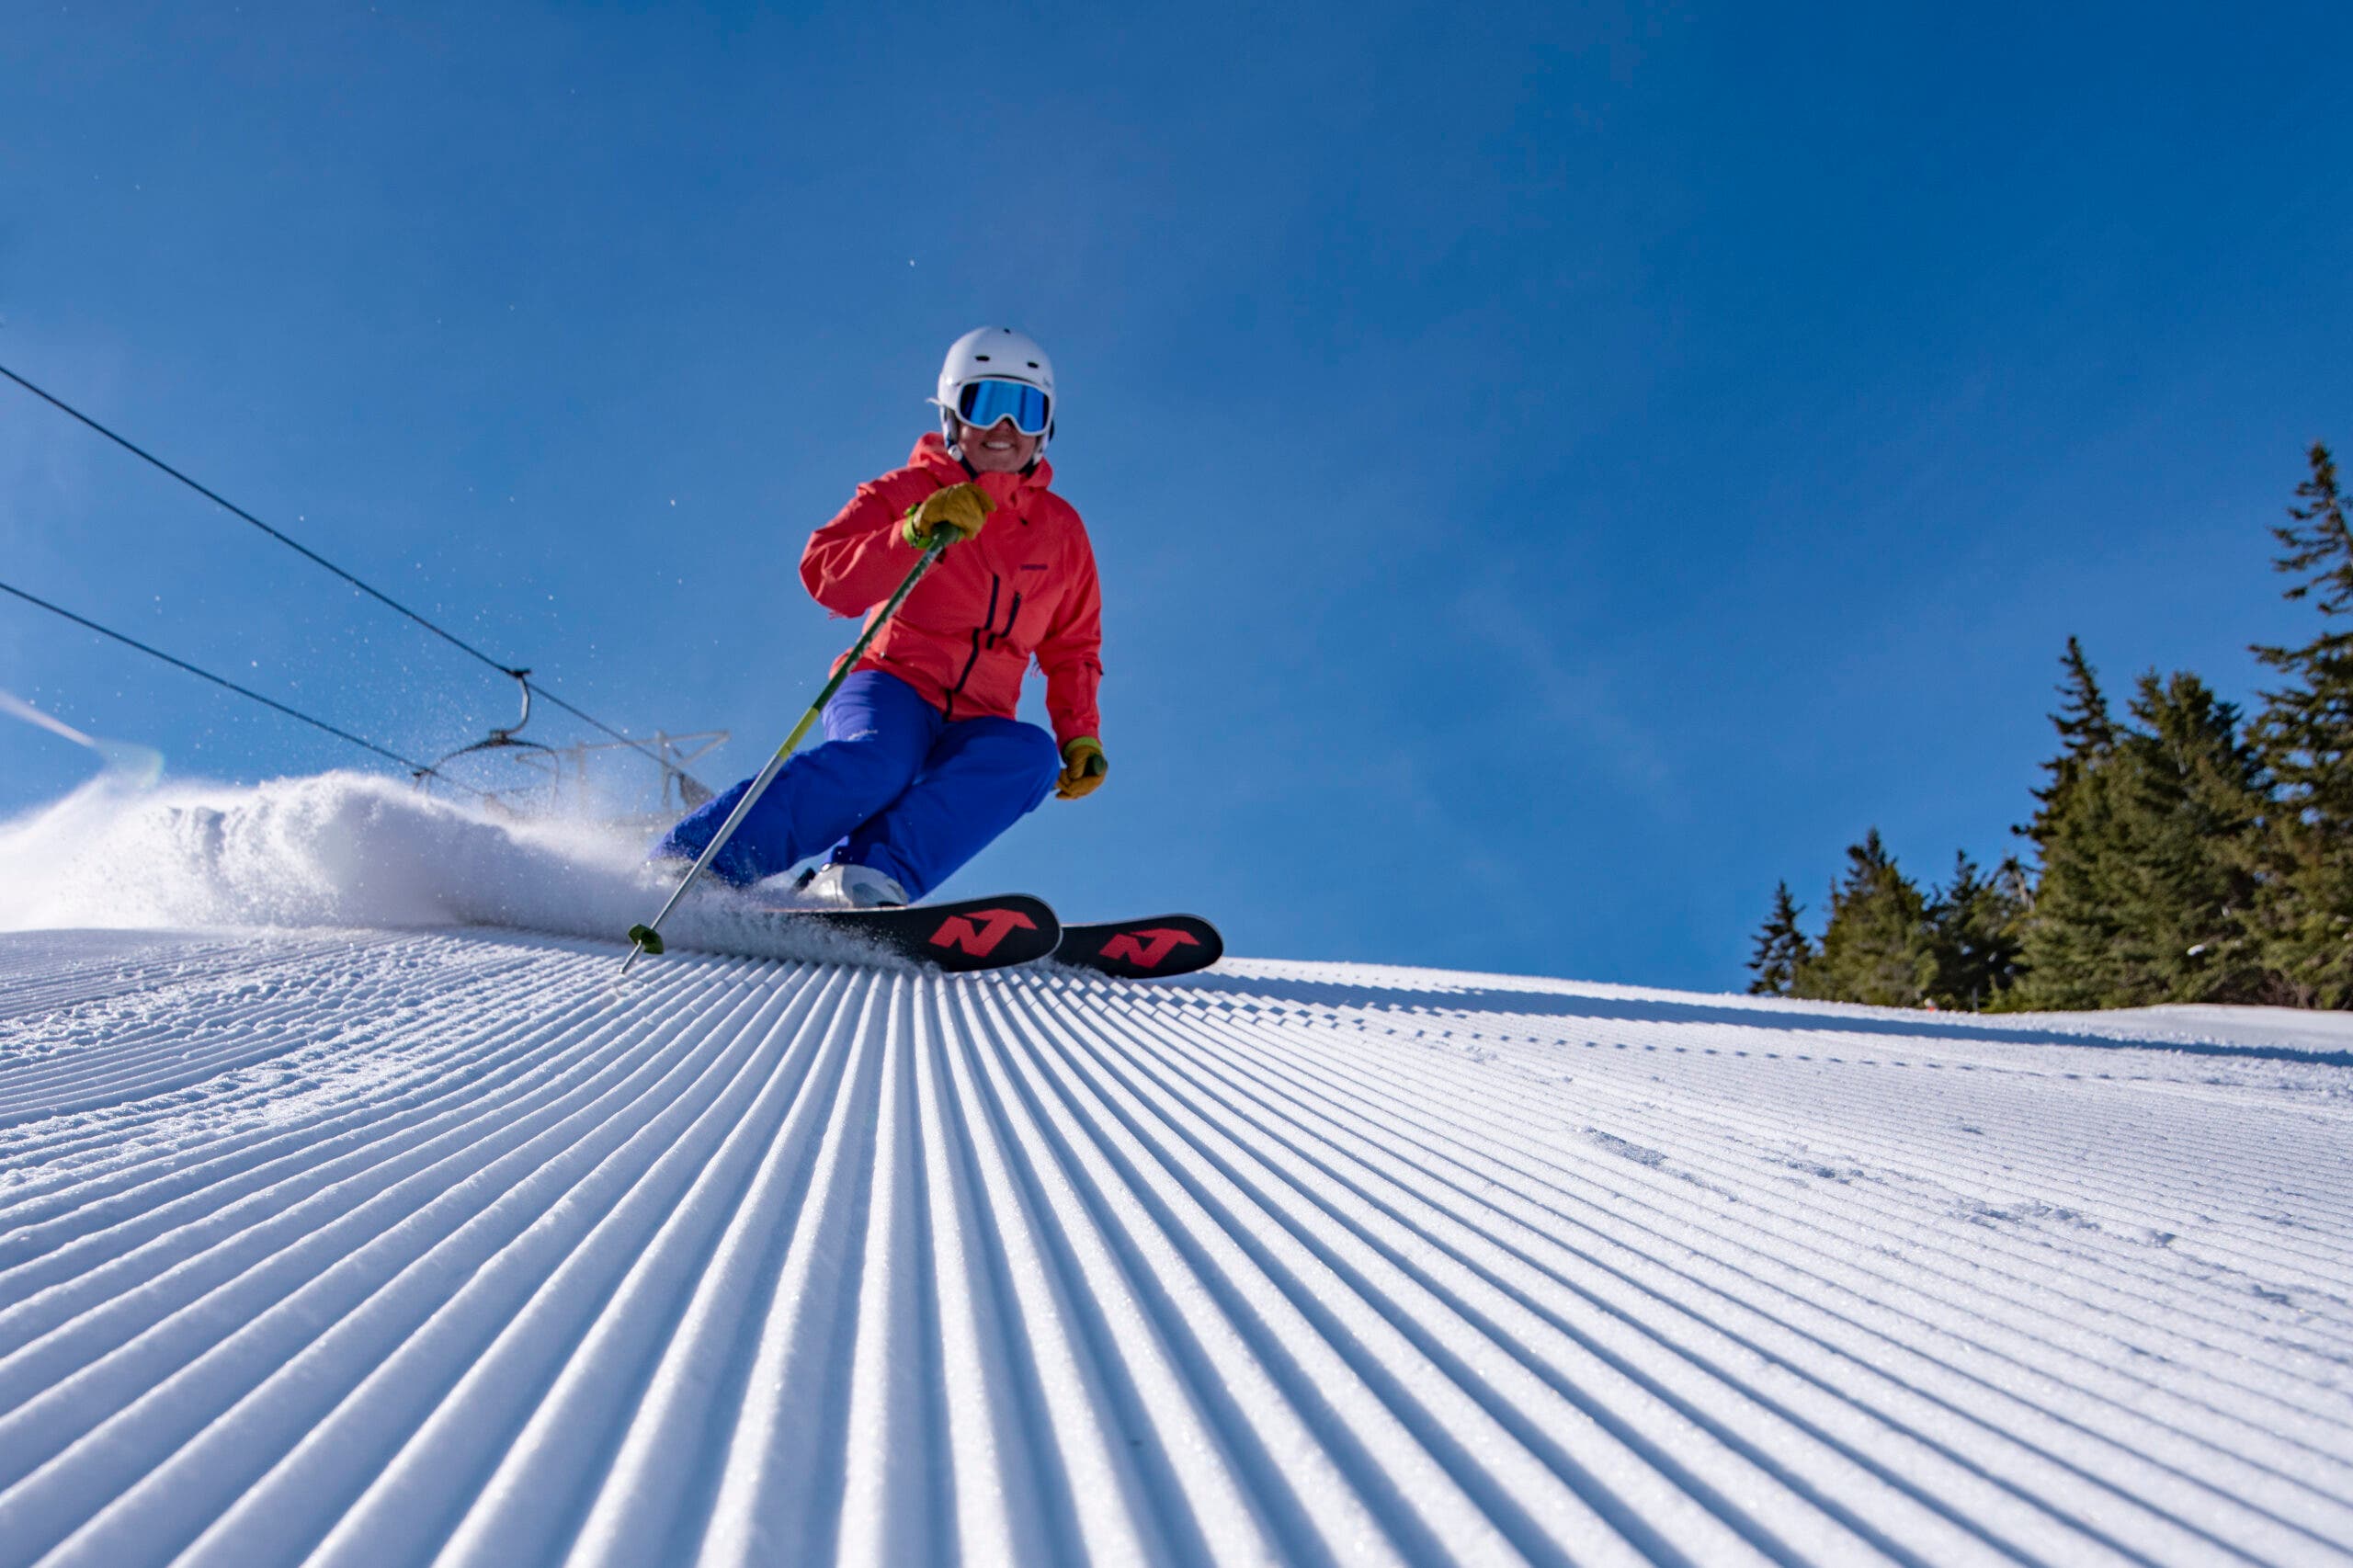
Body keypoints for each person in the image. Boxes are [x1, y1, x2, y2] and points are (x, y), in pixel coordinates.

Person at [652, 325, 1107, 907]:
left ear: (1046, 427)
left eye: (1025, 409)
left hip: (978, 717)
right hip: (891, 682)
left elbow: (1073, 645)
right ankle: (696, 862)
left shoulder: (1061, 532)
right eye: (987, 404)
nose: (1005, 429)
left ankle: (863, 876)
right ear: (952, 415)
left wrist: (1079, 734)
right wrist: (912, 531)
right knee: (878, 763)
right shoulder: (908, 490)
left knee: (1029, 760)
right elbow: (825, 573)